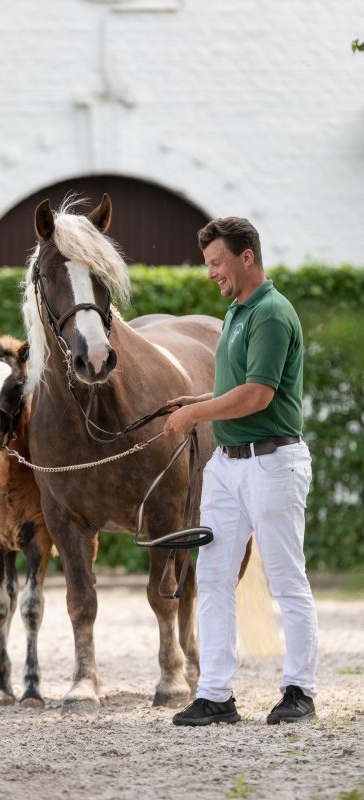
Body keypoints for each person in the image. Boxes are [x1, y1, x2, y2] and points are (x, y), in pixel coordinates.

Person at [164, 217, 318, 727]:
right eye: (208, 264)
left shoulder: (271, 313)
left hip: (273, 464)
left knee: (285, 578)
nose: (211, 272)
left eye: (217, 262)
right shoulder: (236, 311)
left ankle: (300, 690)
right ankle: (215, 694)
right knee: (212, 577)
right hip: (228, 466)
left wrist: (195, 414)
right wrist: (199, 399)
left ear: (246, 257)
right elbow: (238, 387)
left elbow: (258, 395)